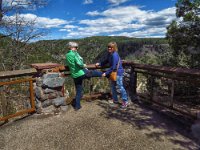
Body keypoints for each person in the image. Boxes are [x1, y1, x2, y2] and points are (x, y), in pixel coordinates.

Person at [65, 42, 102, 110]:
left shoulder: (67, 55)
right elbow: (79, 63)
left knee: (79, 90)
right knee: (95, 72)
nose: (77, 49)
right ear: (72, 47)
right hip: (81, 73)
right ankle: (106, 74)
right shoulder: (74, 54)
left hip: (75, 75)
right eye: (76, 47)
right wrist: (83, 65)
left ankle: (77, 106)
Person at [96, 42, 129, 109]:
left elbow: (113, 67)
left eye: (111, 47)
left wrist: (106, 73)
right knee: (113, 86)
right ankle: (115, 100)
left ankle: (125, 101)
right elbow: (106, 61)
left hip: (118, 73)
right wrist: (99, 64)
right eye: (108, 47)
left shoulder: (114, 55)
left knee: (120, 87)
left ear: (114, 48)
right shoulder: (110, 54)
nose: (109, 48)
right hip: (113, 73)